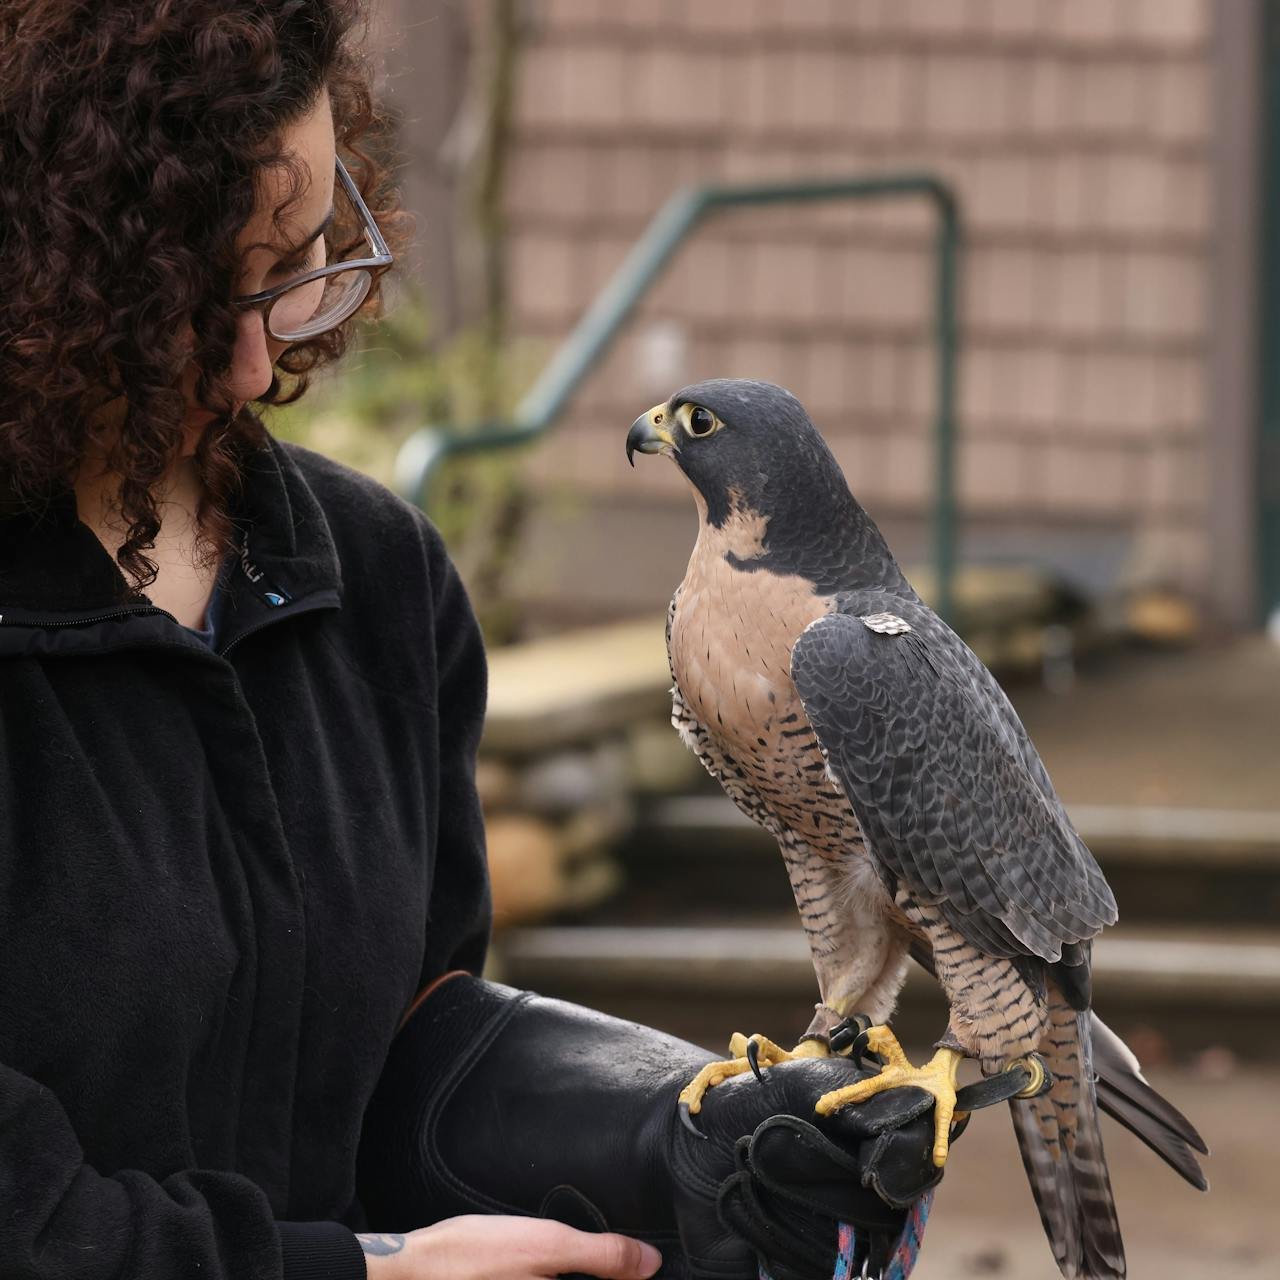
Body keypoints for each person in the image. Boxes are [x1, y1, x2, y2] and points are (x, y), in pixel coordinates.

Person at [0, 4, 944, 1278]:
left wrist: (672, 1133)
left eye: (292, 262)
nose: (244, 363)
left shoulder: (375, 577)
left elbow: (391, 1060)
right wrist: (368, 1271)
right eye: (173, 297)